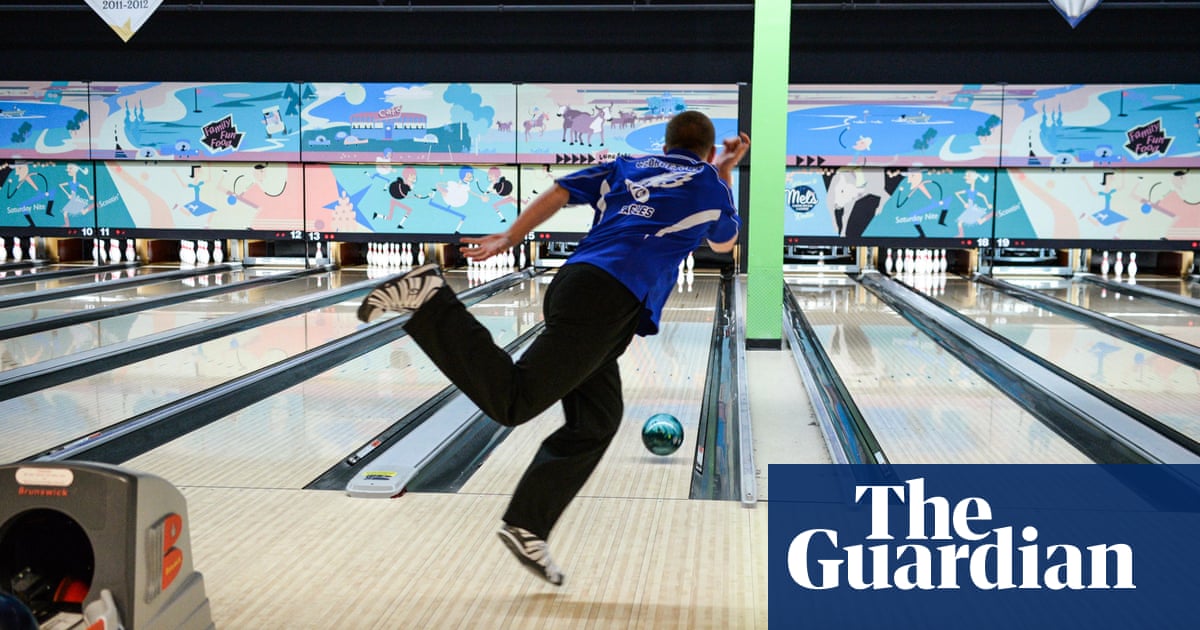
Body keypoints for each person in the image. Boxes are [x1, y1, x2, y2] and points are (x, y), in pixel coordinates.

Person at [357, 110, 749, 586]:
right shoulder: (712, 183)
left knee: (597, 420)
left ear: (665, 147)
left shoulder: (628, 164)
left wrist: (510, 236)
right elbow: (725, 244)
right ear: (708, 152)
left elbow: (562, 190)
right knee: (514, 401)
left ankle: (527, 525)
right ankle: (427, 302)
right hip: (611, 299)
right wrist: (724, 173)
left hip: (577, 282)